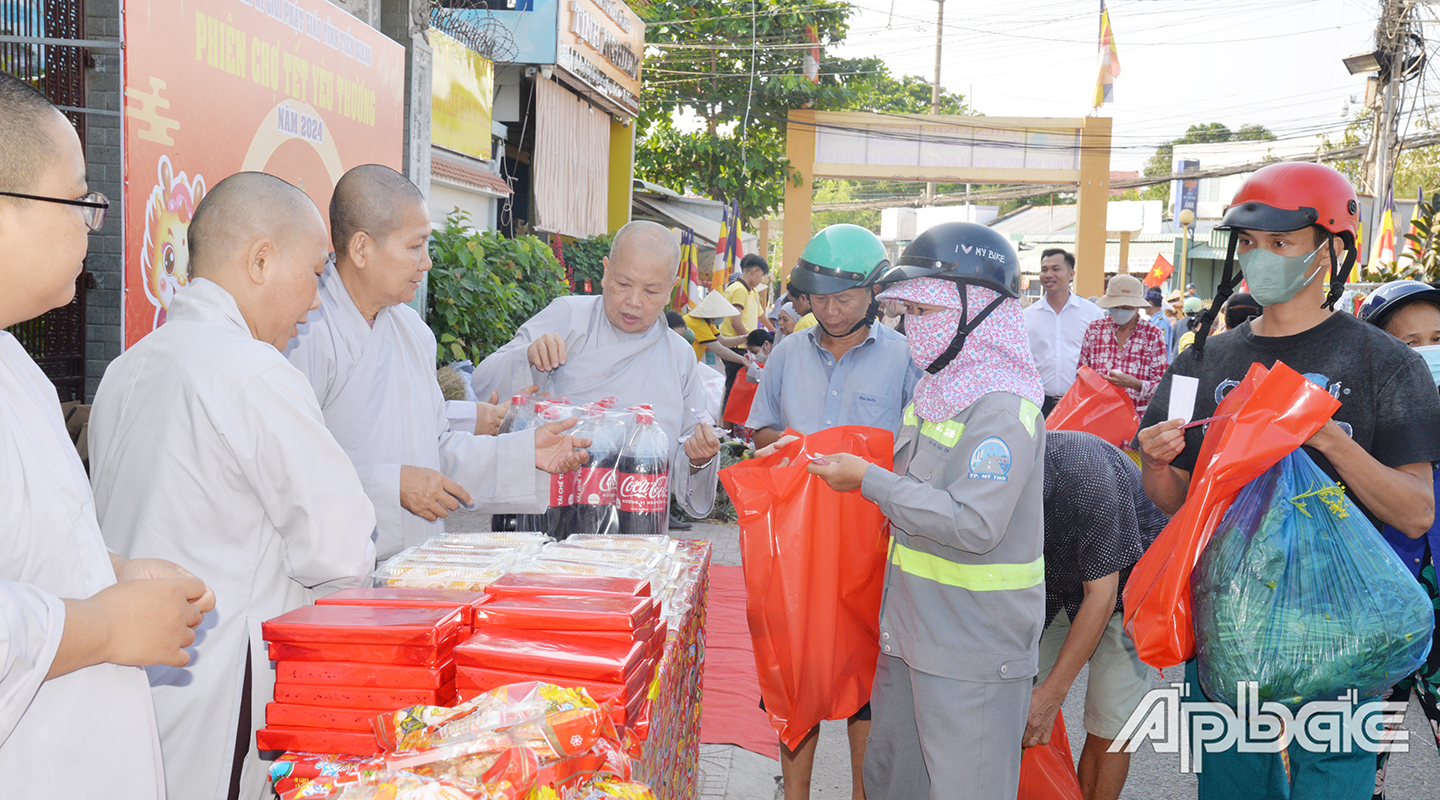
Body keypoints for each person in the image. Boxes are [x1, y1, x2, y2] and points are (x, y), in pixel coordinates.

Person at [1136, 162, 1440, 800]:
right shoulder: (1201, 359)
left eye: (1281, 242)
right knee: (1233, 784)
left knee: (1333, 785)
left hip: (1342, 617)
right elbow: (1176, 503)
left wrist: (1327, 437)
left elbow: (1415, 512)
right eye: (1249, 242)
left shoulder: (1386, 363)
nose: (1260, 257)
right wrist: (1157, 464)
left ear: (1329, 250)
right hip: (1229, 617)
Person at [88, 172, 380, 800]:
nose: (316, 301)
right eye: (316, 273)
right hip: (219, 683)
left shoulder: (126, 367)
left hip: (129, 675)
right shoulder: (253, 372)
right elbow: (341, 550)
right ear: (260, 260)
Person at [0, 72, 217, 800]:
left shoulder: (15, 364)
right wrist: (101, 624)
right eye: (77, 200)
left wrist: (109, 572)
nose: (90, 222)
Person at [809, 222, 1046, 800]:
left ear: (977, 311)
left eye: (926, 310)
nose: (914, 325)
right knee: (891, 783)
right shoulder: (937, 392)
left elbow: (974, 523)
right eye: (909, 311)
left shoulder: (1003, 408)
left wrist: (870, 481)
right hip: (911, 634)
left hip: (972, 650)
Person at [285, 165, 589, 560]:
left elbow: (436, 449)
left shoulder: (412, 331)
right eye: (415, 246)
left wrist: (523, 452)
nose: (427, 262)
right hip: (330, 570)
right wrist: (391, 486)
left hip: (413, 563)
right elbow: (285, 475)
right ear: (361, 249)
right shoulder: (303, 331)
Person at [744, 224, 921, 800]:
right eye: (817, 298)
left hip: (873, 542)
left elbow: (919, 448)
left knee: (864, 678)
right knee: (796, 671)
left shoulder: (905, 358)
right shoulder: (788, 353)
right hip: (796, 538)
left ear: (875, 293)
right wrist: (792, 447)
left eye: (843, 298)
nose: (829, 310)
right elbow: (761, 429)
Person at [470, 220, 723, 525]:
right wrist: (527, 357)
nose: (634, 302)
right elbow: (484, 386)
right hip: (547, 515)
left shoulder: (680, 355)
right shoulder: (566, 317)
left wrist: (700, 458)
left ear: (671, 289)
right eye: (623, 284)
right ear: (605, 272)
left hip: (636, 522)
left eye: (651, 291)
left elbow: (687, 449)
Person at [1029, 431, 1167, 800]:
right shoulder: (986, 478)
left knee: (1111, 724)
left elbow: (1101, 596)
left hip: (1128, 587)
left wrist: (1052, 693)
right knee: (1014, 703)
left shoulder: (1085, 475)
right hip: (1052, 586)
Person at [1358, 279, 1440, 799]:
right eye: (1409, 344)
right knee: (1360, 759)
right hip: (1378, 605)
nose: (1427, 353)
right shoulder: (1356, 419)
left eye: (1437, 339)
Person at [1023, 248, 1105, 415]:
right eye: (1044, 269)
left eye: (1056, 269)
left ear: (1071, 274)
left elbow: (1101, 359)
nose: (1048, 275)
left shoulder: (1092, 314)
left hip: (1080, 402)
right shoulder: (1027, 316)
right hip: (1037, 403)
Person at [1079, 274, 1170, 418]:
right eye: (1115, 306)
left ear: (1137, 306)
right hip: (1097, 416)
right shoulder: (1095, 330)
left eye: (1126, 307)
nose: (1120, 310)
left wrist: (1136, 384)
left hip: (1136, 419)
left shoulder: (1153, 334)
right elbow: (1081, 375)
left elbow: (1163, 388)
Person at [720, 255, 771, 406]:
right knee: (733, 388)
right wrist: (751, 342)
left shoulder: (751, 291)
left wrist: (774, 330)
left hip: (743, 344)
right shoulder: (739, 289)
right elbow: (736, 322)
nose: (761, 280)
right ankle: (726, 420)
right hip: (736, 346)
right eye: (762, 275)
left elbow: (760, 315)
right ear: (754, 271)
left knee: (738, 386)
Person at [682, 290, 748, 367]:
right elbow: (718, 349)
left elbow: (722, 340)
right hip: (682, 363)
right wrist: (743, 360)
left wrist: (743, 339)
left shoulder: (707, 322)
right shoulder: (697, 323)